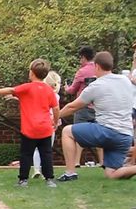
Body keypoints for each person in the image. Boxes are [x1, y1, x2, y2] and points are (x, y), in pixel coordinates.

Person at [58, 52, 136, 181]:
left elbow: (72, 107)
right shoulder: (125, 80)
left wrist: (55, 117)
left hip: (107, 132)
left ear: (97, 66)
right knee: (111, 175)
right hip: (125, 136)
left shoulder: (96, 86)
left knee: (67, 132)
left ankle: (70, 173)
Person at [0, 59, 60, 187]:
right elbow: (55, 108)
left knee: (26, 154)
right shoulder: (49, 90)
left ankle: (23, 180)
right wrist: (54, 121)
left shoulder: (27, 88)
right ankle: (49, 179)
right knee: (46, 154)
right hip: (45, 128)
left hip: (29, 129)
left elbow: (11, 90)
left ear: (31, 73)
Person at [65, 45, 102, 166]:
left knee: (78, 133)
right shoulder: (99, 69)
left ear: (83, 57)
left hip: (82, 106)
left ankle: (76, 162)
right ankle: (102, 161)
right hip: (97, 106)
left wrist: (67, 88)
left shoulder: (82, 72)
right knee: (99, 134)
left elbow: (72, 90)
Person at [31, 70, 61, 179]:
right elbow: (56, 110)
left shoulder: (40, 93)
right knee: (47, 149)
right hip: (50, 124)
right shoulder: (56, 96)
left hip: (38, 122)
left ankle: (36, 169)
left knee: (36, 149)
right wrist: (56, 121)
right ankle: (45, 171)